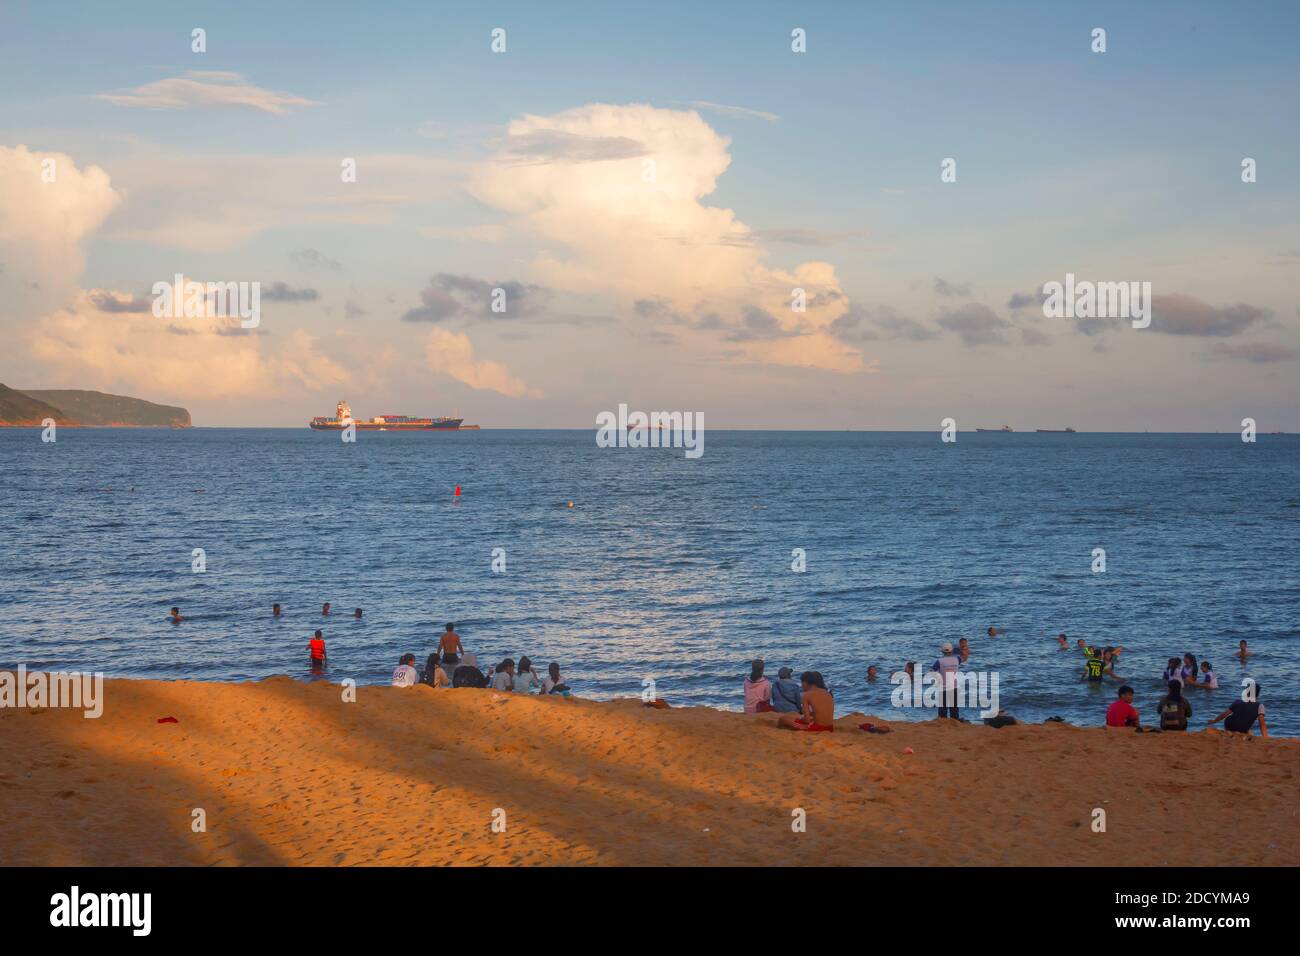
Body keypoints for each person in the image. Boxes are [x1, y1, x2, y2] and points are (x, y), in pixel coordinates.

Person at [932, 642, 962, 720]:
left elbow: (932, 671)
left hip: (943, 688)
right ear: (952, 651)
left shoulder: (939, 661)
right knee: (954, 710)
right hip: (954, 687)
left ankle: (943, 722)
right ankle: (955, 722)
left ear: (942, 651)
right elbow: (961, 655)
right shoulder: (957, 659)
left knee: (942, 711)